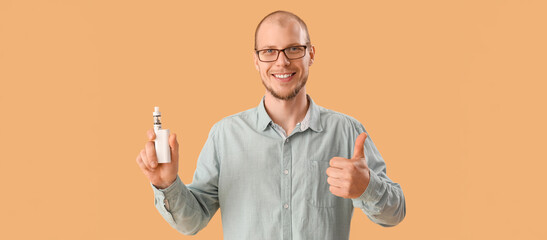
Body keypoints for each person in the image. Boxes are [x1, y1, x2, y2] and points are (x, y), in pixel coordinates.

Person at [136, 10, 406, 240]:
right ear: (256, 60)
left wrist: (367, 187)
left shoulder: (347, 131)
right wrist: (167, 184)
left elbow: (395, 213)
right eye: (269, 51)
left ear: (311, 54)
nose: (282, 61)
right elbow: (192, 222)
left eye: (294, 49)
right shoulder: (224, 135)